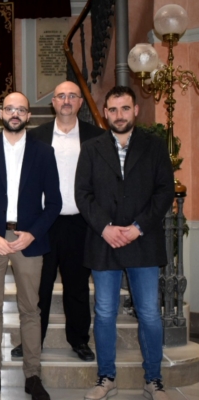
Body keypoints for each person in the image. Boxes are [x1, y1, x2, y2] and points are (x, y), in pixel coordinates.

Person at [75, 86, 175, 400]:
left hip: (142, 242)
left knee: (148, 313)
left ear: (135, 111)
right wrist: (105, 228)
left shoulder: (154, 146)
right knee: (104, 313)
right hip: (103, 242)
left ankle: (154, 379)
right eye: (113, 109)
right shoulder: (91, 148)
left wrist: (137, 228)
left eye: (125, 108)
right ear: (105, 113)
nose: (119, 115)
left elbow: (164, 191)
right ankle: (106, 378)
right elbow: (83, 193)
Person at [0, 92, 62, 400]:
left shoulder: (44, 152)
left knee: (31, 310)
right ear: (1, 112)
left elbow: (55, 203)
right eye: (10, 108)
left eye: (21, 109)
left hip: (28, 240)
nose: (15, 113)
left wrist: (32, 234)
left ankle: (33, 376)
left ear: (29, 115)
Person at [10, 81, 103, 361]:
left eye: (72, 96)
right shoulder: (34, 136)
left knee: (76, 285)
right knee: (40, 286)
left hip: (79, 222)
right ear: (53, 102)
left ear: (79, 102)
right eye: (61, 95)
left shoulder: (95, 136)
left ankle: (79, 340)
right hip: (42, 224)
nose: (66, 100)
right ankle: (32, 339)